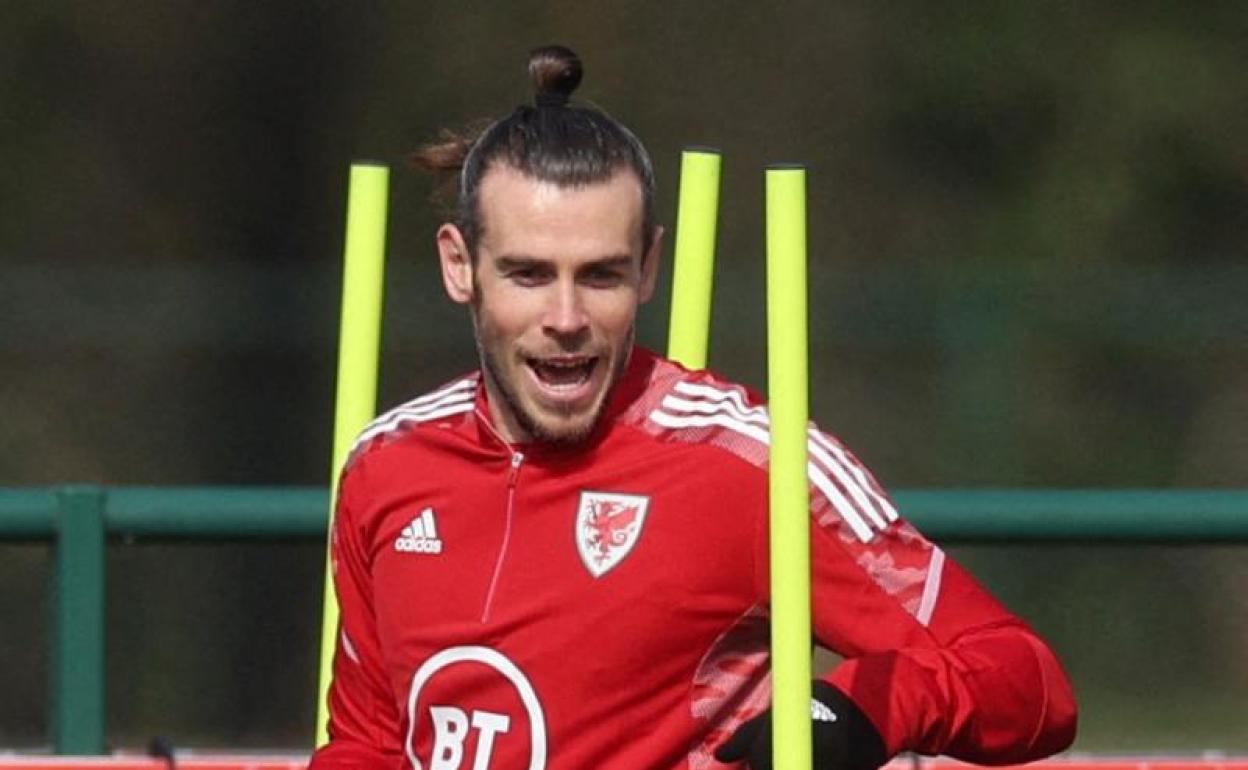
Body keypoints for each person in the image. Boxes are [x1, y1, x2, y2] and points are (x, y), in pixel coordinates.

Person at [309, 45, 1077, 770]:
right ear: (459, 267)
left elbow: (1024, 678)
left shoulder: (753, 465)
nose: (567, 315)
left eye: (602, 276)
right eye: (529, 275)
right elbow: (368, 743)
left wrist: (857, 712)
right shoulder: (386, 464)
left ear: (649, 268)